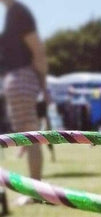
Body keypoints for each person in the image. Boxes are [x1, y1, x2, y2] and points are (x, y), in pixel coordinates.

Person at [0, 0, 48, 205]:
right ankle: (35, 187)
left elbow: (37, 50)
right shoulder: (13, 13)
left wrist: (44, 86)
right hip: (17, 78)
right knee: (27, 135)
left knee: (30, 135)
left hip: (22, 77)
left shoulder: (18, 12)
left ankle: (36, 191)